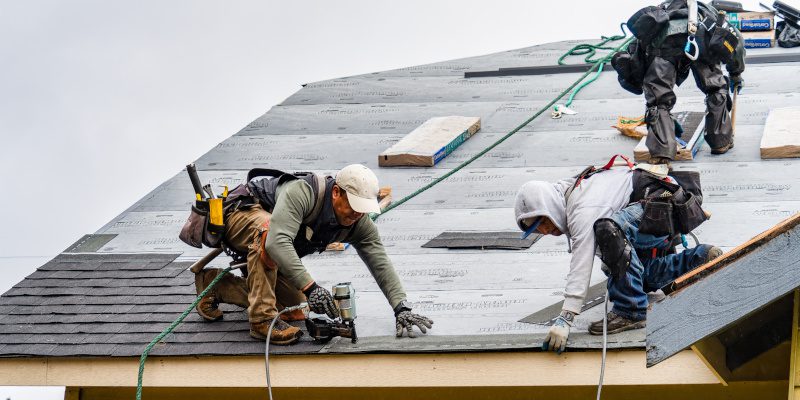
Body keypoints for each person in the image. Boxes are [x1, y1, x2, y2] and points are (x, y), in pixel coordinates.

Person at [194, 164, 433, 344]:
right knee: (268, 232)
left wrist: (401, 307)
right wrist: (312, 288)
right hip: (242, 215)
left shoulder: (358, 221)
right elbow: (277, 242)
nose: (356, 215)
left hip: (268, 253)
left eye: (362, 210)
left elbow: (379, 261)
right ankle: (261, 320)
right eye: (353, 206)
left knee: (295, 309)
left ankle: (215, 285)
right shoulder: (303, 193)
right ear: (336, 193)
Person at [514, 160, 722, 353]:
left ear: (549, 205)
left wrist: (566, 318)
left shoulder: (582, 207)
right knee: (636, 278)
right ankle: (699, 259)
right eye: (535, 229)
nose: (543, 230)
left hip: (663, 205)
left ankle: (630, 310)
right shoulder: (569, 194)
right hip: (660, 212)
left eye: (541, 221)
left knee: (606, 230)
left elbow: (581, 260)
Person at [614, 0, 745, 164]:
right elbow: (735, 43)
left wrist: (660, 117)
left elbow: (638, 55)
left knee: (658, 101)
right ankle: (720, 141)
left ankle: (662, 153)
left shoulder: (658, 15)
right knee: (716, 88)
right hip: (700, 43)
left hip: (663, 49)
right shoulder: (707, 12)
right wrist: (736, 73)